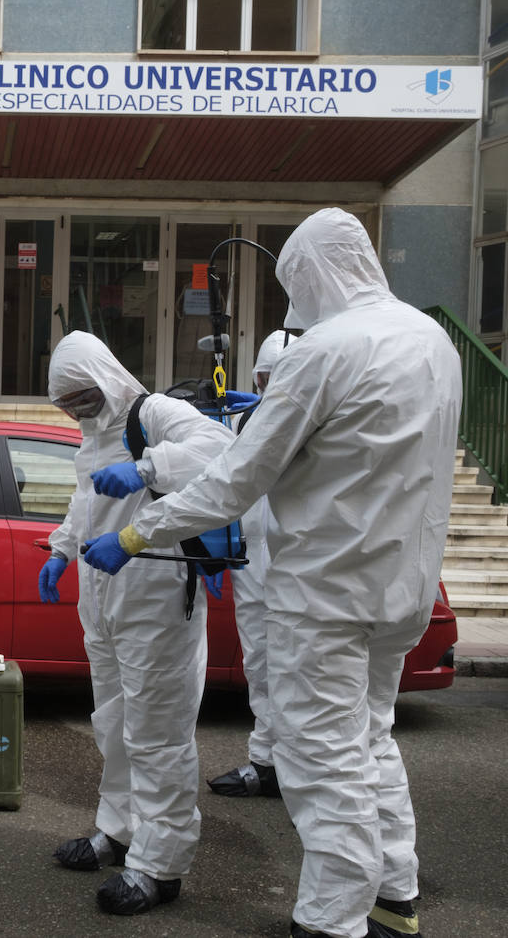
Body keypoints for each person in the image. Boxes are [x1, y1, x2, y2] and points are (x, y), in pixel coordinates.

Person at [82, 208, 462, 938]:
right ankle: (394, 895)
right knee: (371, 737)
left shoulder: (325, 350)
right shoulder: (431, 339)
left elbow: (234, 481)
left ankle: (331, 920)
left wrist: (136, 532)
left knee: (322, 758)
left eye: (294, 281)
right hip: (402, 587)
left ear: (312, 272)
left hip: (326, 594)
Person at [40, 331, 232, 916]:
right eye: (67, 403)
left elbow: (225, 450)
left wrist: (148, 468)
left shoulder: (154, 413)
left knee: (158, 735)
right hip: (103, 600)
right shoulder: (91, 439)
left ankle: (159, 864)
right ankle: (117, 831)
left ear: (106, 377)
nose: (77, 411)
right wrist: (60, 549)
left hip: (156, 597)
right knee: (115, 723)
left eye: (83, 396)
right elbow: (85, 502)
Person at [206, 329, 297, 799]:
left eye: (275, 380)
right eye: (262, 380)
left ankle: (298, 767)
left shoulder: (310, 424)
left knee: (294, 670)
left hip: (294, 568)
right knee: (260, 665)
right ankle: (265, 762)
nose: (266, 390)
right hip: (251, 565)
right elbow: (228, 489)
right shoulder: (246, 422)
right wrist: (217, 549)